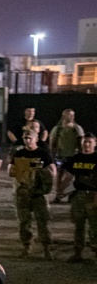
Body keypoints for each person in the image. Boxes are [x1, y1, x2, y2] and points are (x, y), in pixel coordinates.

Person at [9, 129, 56, 259]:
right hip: (23, 192)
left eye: (30, 138)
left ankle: (46, 248)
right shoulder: (19, 154)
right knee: (24, 221)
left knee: (43, 221)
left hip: (39, 194)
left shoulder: (43, 153)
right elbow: (12, 171)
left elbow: (52, 171)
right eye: (25, 138)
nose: (27, 140)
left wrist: (39, 174)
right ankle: (27, 246)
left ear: (36, 139)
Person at [64, 132, 97, 262]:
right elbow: (71, 177)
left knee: (95, 227)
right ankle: (78, 253)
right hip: (78, 196)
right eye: (85, 141)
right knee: (78, 226)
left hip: (93, 195)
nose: (87, 144)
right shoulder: (75, 158)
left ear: (95, 143)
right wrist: (63, 190)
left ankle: (95, 253)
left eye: (89, 142)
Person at [50, 109, 84, 202]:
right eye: (69, 115)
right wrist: (52, 155)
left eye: (73, 115)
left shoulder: (77, 128)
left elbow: (82, 143)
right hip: (60, 156)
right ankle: (59, 195)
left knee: (70, 178)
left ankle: (63, 193)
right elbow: (52, 142)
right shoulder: (58, 129)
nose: (72, 117)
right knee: (59, 177)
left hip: (73, 156)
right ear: (64, 116)